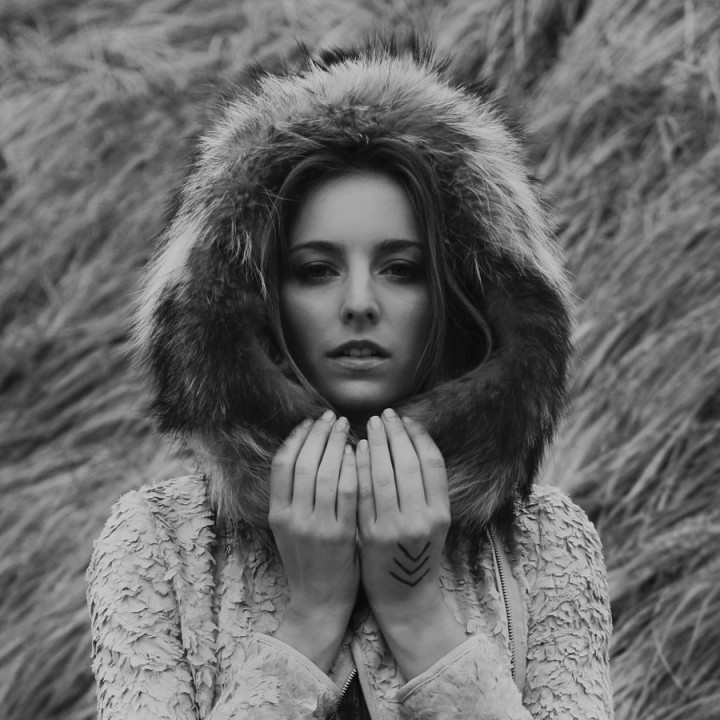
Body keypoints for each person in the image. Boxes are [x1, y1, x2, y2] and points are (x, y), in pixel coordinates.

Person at [87, 35, 613, 719]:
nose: (360, 303)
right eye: (316, 270)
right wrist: (309, 620)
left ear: (458, 293)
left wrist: (420, 618)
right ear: (256, 299)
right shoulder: (158, 543)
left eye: (401, 269)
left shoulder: (546, 542)